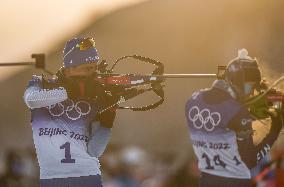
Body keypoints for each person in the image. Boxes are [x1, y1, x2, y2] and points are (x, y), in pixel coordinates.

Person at [23, 37, 116, 187]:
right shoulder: (41, 83)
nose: (93, 73)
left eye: (95, 67)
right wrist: (68, 91)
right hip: (53, 178)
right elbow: (31, 100)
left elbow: (94, 151)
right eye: (87, 68)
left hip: (88, 176)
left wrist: (108, 118)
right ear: (70, 69)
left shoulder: (95, 94)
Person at [185, 49, 283, 187]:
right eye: (249, 87)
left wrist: (247, 113)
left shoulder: (193, 101)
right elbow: (250, 160)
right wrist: (275, 129)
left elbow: (222, 119)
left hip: (207, 181)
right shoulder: (238, 113)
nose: (250, 93)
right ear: (236, 82)